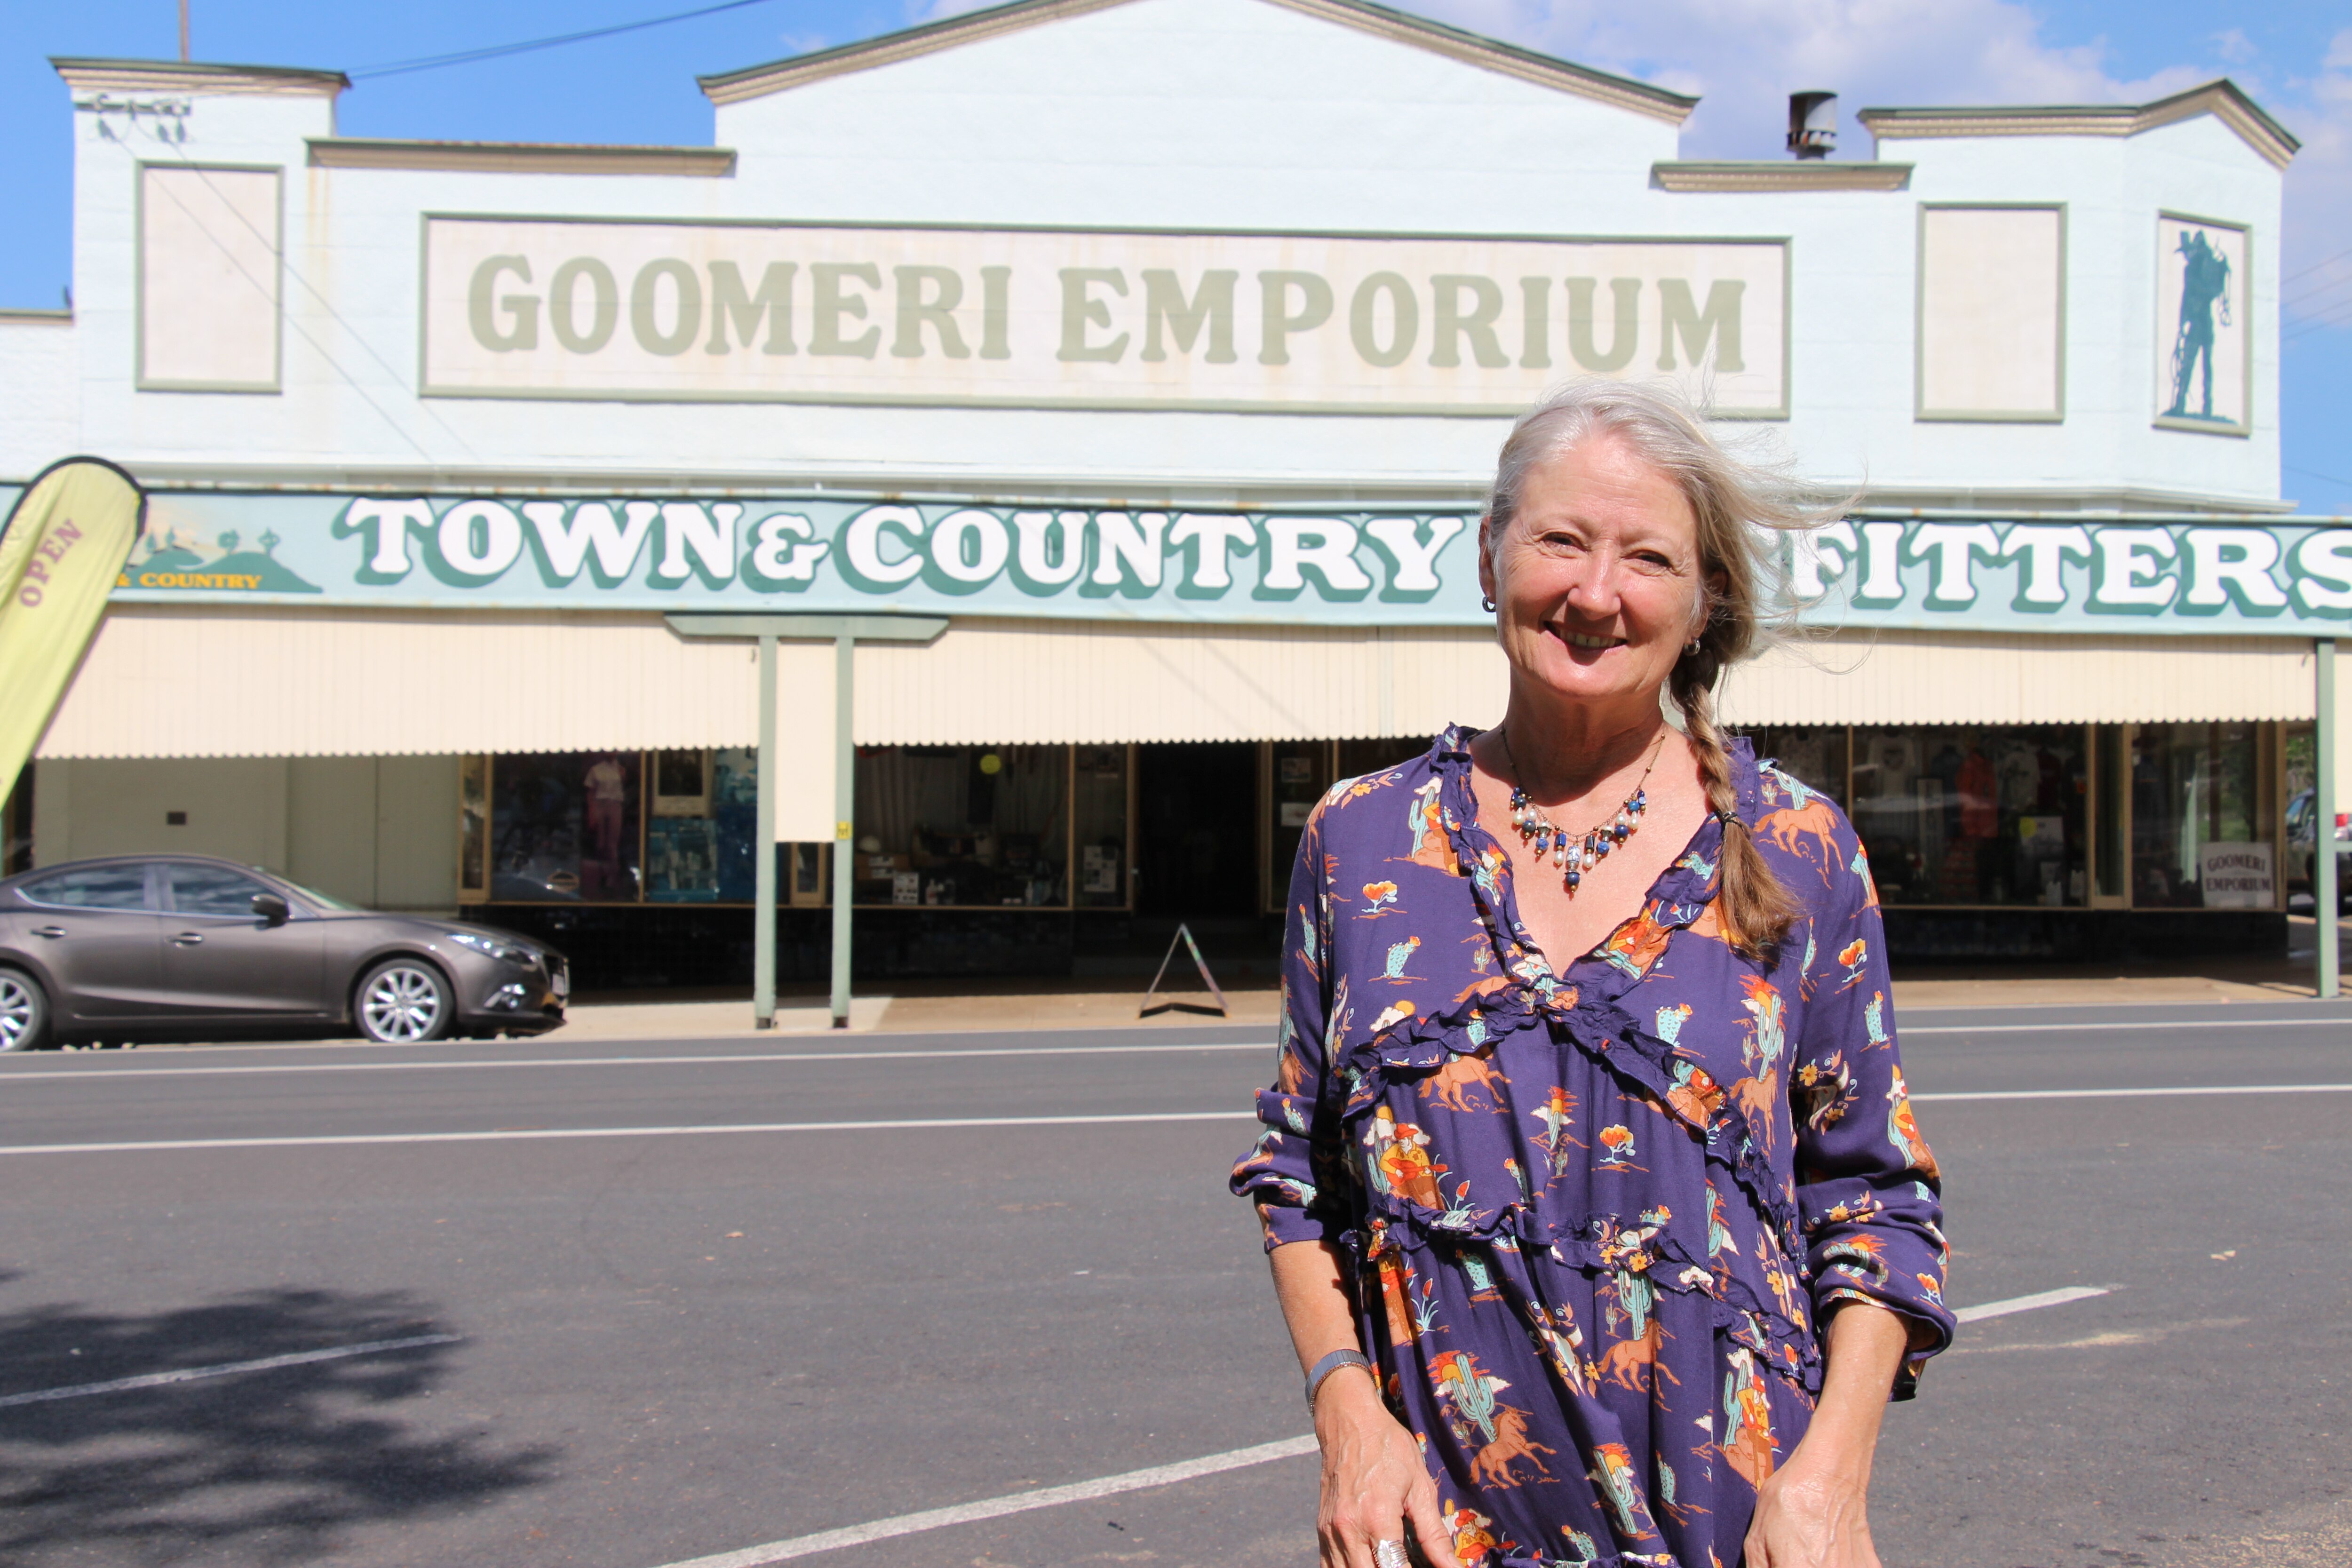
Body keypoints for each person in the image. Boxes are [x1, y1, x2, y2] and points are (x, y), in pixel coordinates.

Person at [1232, 381, 1953, 1568]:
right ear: (1487, 555)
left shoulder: (1796, 846)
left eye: (1648, 557)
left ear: (1703, 597)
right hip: (1434, 1534)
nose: (1595, 592)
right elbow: (1299, 1176)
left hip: (1734, 1533)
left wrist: (1831, 1478)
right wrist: (1346, 1413)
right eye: (1560, 539)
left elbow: (1875, 1199)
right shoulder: (1360, 838)